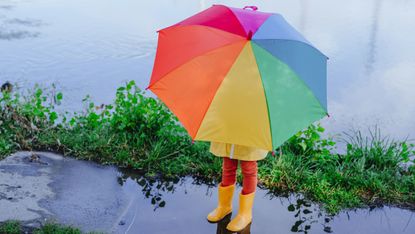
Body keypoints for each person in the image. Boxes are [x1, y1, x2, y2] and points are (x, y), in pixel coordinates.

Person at [207, 142, 268, 232]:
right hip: (230, 131)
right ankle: (224, 206)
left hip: (250, 134)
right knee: (228, 163)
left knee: (248, 166)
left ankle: (245, 214)